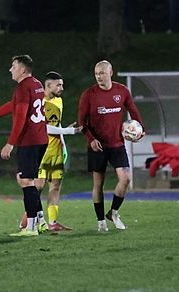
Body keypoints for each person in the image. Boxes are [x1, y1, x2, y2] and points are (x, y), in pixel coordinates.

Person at [0, 54, 48, 237]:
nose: (10, 69)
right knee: (27, 180)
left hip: (29, 141)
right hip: (41, 139)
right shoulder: (36, 84)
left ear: (23, 69)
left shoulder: (23, 87)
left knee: (26, 181)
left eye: (14, 66)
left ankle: (31, 227)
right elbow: (14, 105)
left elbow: (20, 117)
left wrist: (10, 143)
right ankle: (40, 221)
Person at [78, 60, 144, 232]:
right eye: (96, 73)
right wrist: (91, 139)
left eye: (102, 73)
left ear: (110, 72)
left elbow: (133, 111)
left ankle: (113, 213)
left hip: (117, 144)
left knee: (126, 178)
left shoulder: (122, 91)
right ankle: (101, 221)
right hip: (97, 146)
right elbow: (81, 122)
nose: (99, 76)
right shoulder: (89, 94)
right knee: (98, 185)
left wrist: (141, 129)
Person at [37, 71, 81, 232]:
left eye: (62, 84)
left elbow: (56, 124)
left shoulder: (59, 101)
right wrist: (70, 132)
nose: (62, 88)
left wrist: (64, 137)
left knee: (55, 186)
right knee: (37, 188)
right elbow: (44, 128)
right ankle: (30, 221)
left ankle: (53, 222)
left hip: (56, 151)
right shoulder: (39, 102)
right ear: (48, 85)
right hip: (41, 150)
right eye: (58, 85)